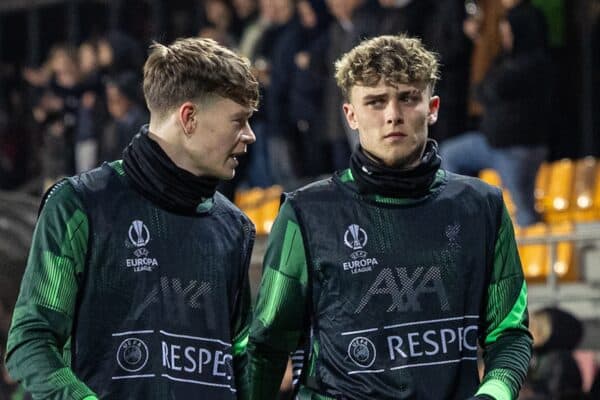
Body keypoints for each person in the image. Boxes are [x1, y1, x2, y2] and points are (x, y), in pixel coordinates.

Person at [248, 35, 532, 400]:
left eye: (408, 98)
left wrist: (493, 394)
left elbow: (509, 334)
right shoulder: (306, 213)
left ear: (432, 107)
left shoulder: (482, 206)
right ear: (350, 114)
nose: (393, 115)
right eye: (376, 102)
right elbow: (268, 344)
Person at [5, 37, 259, 400]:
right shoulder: (80, 205)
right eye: (239, 120)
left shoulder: (234, 228)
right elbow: (31, 340)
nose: (249, 135)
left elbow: (239, 355)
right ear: (189, 117)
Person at [440, 0, 551, 227]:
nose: (504, 34)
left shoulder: (532, 64)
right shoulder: (506, 60)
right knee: (451, 154)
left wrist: (490, 87)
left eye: (508, 29)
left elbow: (493, 88)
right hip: (494, 145)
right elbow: (483, 89)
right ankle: (462, 216)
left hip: (517, 149)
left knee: (524, 209)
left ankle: (533, 254)